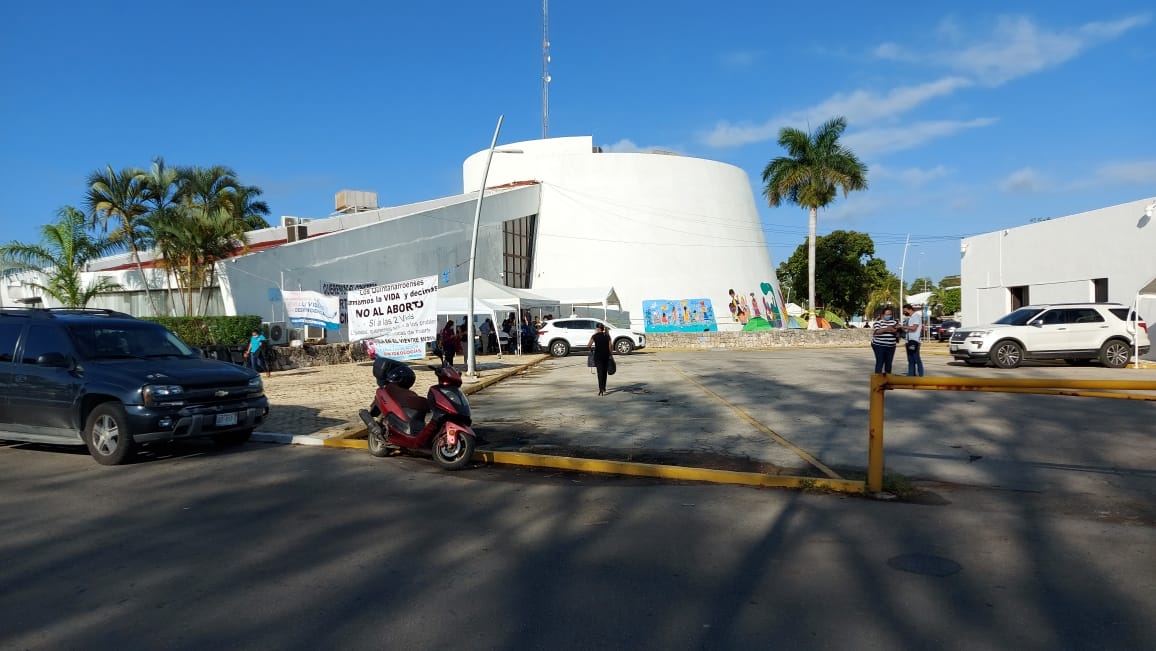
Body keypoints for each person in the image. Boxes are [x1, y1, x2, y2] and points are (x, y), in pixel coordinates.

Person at [871, 307, 900, 374]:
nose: (889, 316)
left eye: (890, 314)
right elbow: (877, 331)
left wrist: (894, 331)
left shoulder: (894, 322)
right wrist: (886, 328)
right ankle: (878, 379)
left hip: (891, 346)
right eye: (887, 314)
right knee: (880, 362)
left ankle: (888, 379)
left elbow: (898, 332)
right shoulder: (878, 323)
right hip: (879, 345)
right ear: (883, 315)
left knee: (888, 363)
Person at [587, 323, 614, 395]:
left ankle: (600, 389)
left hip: (598, 356)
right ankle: (604, 387)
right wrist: (610, 354)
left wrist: (592, 350)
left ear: (598, 329)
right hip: (606, 356)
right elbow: (610, 346)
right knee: (605, 372)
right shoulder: (607, 336)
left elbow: (589, 345)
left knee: (600, 373)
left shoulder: (594, 336)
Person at [901, 303, 925, 377]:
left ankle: (921, 375)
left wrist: (903, 326)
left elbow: (914, 328)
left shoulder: (916, 316)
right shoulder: (910, 318)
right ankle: (911, 374)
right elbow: (908, 329)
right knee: (910, 360)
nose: (904, 313)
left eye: (905, 311)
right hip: (909, 341)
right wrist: (902, 328)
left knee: (916, 359)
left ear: (909, 309)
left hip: (914, 341)